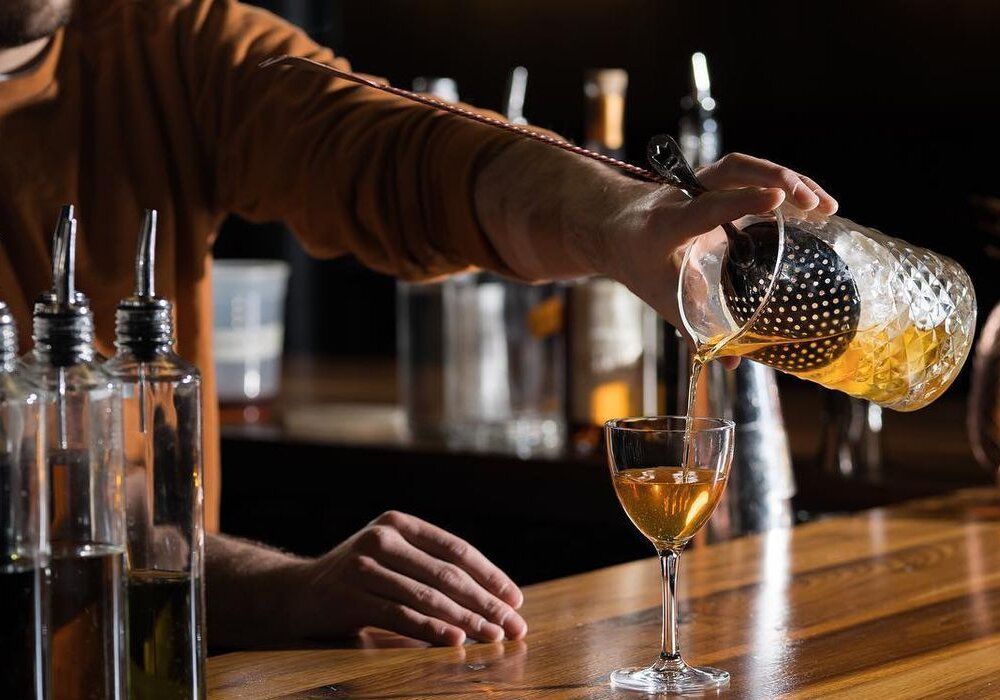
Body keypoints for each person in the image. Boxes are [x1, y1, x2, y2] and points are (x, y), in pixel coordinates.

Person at [0, 0, 837, 648]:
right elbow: (45, 512)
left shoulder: (161, 42)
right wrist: (278, 592)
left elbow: (401, 154)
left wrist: (622, 221)